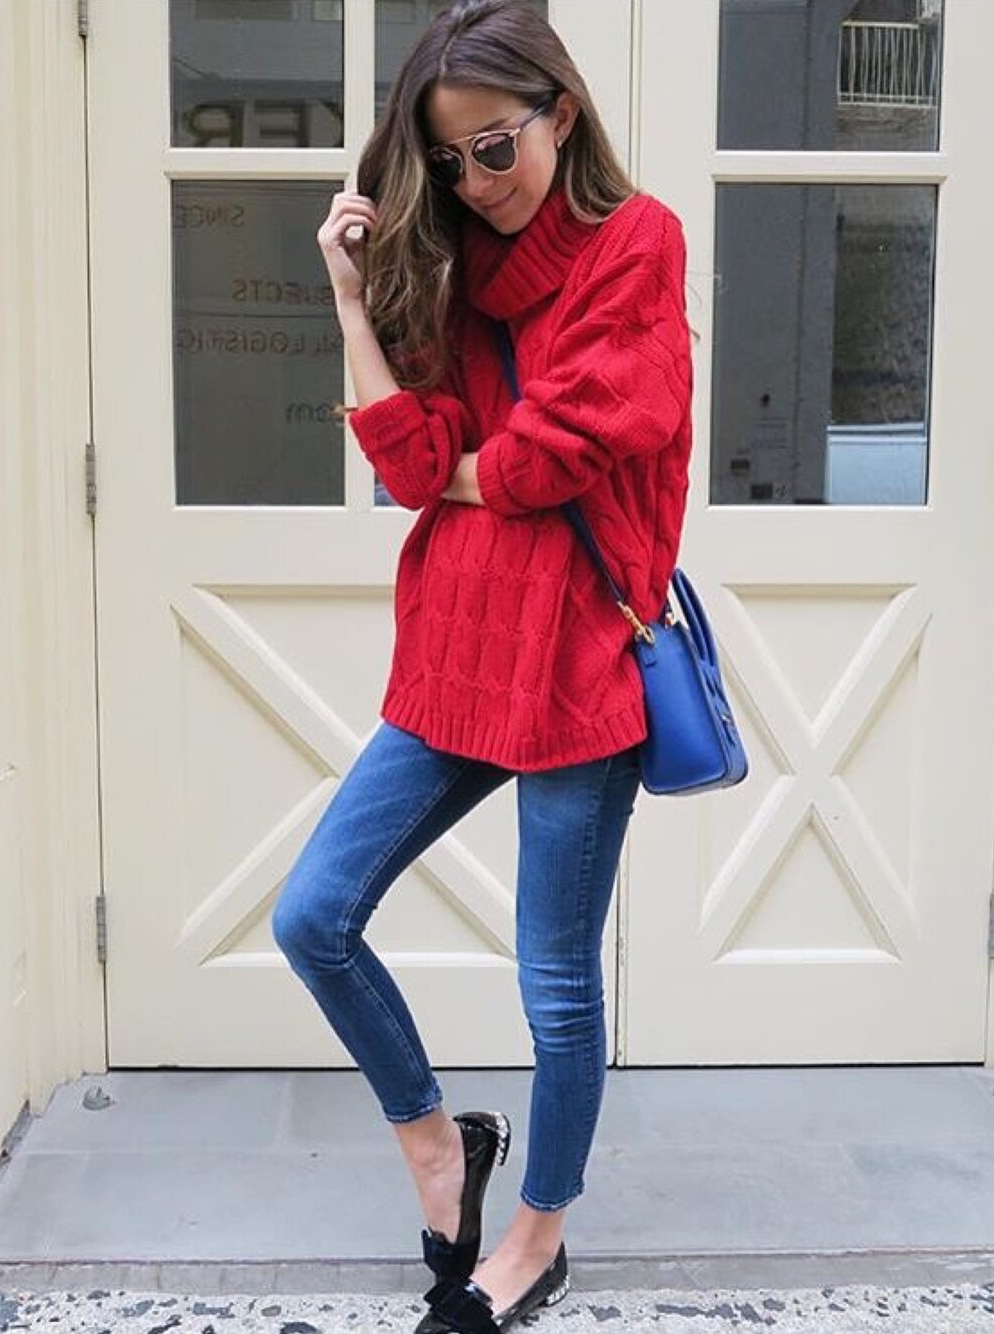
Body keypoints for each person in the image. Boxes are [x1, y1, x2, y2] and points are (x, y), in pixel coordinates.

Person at [271, 1, 693, 1329]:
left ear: (560, 113)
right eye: (447, 163)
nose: (472, 181)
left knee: (555, 989)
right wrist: (353, 299)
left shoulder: (639, 243)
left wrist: (481, 469)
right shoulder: (454, 267)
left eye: (493, 149)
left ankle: (536, 1237)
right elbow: (413, 465)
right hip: (457, 654)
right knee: (312, 916)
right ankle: (438, 1145)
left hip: (580, 664)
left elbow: (563, 448)